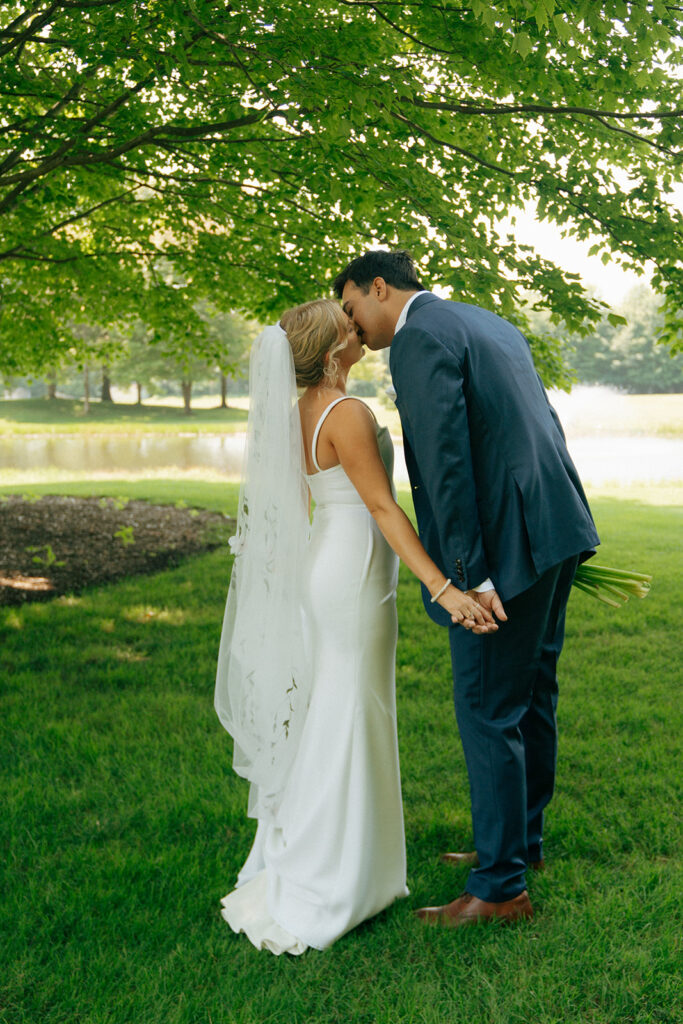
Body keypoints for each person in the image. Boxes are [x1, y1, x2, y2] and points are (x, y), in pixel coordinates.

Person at [215, 299, 493, 955]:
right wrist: (445, 587)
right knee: (351, 710)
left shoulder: (301, 414)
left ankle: (345, 861)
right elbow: (380, 508)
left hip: (328, 560)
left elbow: (320, 501)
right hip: (355, 572)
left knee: (340, 706)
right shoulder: (347, 413)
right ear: (336, 347)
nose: (356, 323)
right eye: (345, 321)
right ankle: (333, 874)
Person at [334, 251, 600, 927]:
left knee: (488, 707)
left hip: (507, 548)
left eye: (350, 306)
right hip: (555, 525)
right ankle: (519, 847)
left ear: (378, 287)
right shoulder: (485, 321)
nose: (351, 326)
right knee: (531, 693)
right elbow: (540, 426)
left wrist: (466, 578)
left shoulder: (418, 338)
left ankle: (500, 888)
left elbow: (444, 464)